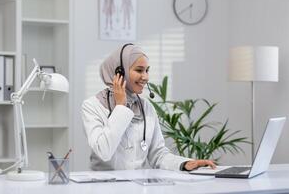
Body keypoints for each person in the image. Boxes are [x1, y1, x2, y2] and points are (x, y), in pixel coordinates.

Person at [81, 43, 216, 171]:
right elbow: (104, 151)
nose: (145, 77)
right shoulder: (92, 106)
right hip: (105, 187)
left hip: (138, 186)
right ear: (119, 73)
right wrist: (120, 107)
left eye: (147, 70)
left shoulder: (146, 107)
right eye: (139, 70)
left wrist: (185, 163)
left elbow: (158, 154)